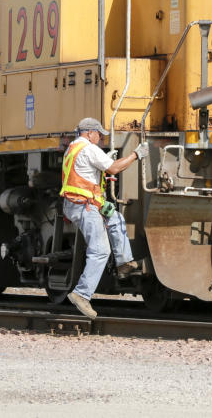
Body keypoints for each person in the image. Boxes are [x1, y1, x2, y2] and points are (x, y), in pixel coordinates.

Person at [60, 117, 149, 319]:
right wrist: (136, 154)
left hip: (81, 203)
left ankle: (124, 262)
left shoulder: (73, 148)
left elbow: (87, 172)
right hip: (84, 206)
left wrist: (104, 158)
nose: (100, 139)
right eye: (99, 135)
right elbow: (114, 169)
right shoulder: (89, 149)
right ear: (89, 132)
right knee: (100, 251)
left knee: (116, 218)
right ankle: (81, 294)